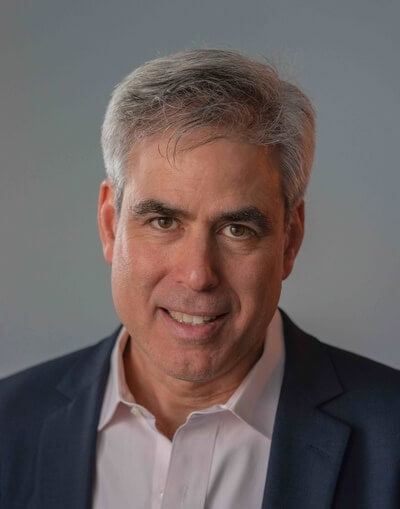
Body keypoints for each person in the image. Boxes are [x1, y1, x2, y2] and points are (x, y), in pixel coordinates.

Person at [1, 49, 399, 509]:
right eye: (164, 222)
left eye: (237, 229)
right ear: (110, 225)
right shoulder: (9, 426)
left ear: (290, 241)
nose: (198, 275)